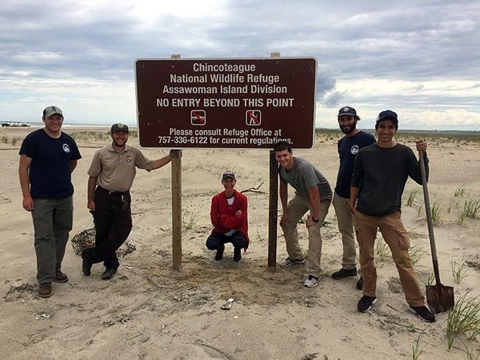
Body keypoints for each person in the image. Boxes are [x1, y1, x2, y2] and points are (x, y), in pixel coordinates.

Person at [350, 110, 436, 323]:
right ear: (376, 128)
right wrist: (353, 205)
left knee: (403, 258)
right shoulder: (365, 153)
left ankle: (416, 302)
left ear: (395, 129)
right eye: (382, 127)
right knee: (366, 257)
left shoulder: (404, 153)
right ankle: (369, 294)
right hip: (365, 213)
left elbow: (421, 178)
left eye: (390, 127)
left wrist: (423, 155)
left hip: (390, 215)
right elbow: (356, 179)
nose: (385, 131)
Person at [82, 123, 171, 280]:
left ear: (128, 136)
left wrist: (171, 157)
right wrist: (90, 199)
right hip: (102, 196)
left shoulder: (134, 153)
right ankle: (111, 265)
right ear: (111, 134)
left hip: (122, 198)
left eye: (123, 134)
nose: (120, 137)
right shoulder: (101, 153)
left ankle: (91, 256)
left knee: (124, 229)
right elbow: (93, 177)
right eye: (117, 134)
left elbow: (150, 165)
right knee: (103, 232)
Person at [19, 106, 82, 298]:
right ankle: (45, 279)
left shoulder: (67, 140)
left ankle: (55, 269)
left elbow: (72, 162)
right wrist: (26, 195)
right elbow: (23, 168)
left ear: (62, 119)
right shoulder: (33, 139)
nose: (55, 122)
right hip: (41, 198)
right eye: (51, 118)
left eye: (58, 118)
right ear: (44, 119)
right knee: (44, 237)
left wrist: (60, 177)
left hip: (64, 196)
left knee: (62, 233)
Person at [274, 140, 332, 288]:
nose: (283, 159)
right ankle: (296, 257)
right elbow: (282, 190)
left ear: (291, 154)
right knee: (286, 222)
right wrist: (285, 212)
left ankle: (313, 272)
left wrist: (315, 217)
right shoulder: (281, 169)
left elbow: (315, 195)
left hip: (321, 197)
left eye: (285, 155)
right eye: (279, 156)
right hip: (301, 195)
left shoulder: (303, 167)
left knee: (313, 229)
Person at [331, 106, 375, 290]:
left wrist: (363, 195)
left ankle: (366, 274)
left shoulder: (366, 139)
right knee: (346, 232)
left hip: (359, 197)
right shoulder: (341, 142)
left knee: (363, 236)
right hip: (340, 194)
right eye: (342, 119)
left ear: (356, 119)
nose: (345, 123)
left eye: (349, 119)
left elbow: (373, 168)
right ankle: (349, 266)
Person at [206, 171, 249, 262]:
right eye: (226, 181)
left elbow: (241, 220)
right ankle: (220, 248)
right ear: (222, 182)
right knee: (211, 244)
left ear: (235, 182)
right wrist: (233, 217)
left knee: (240, 242)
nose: (229, 184)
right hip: (220, 230)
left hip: (237, 230)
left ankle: (237, 250)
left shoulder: (242, 199)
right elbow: (214, 220)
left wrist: (222, 217)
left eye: (231, 181)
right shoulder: (216, 199)